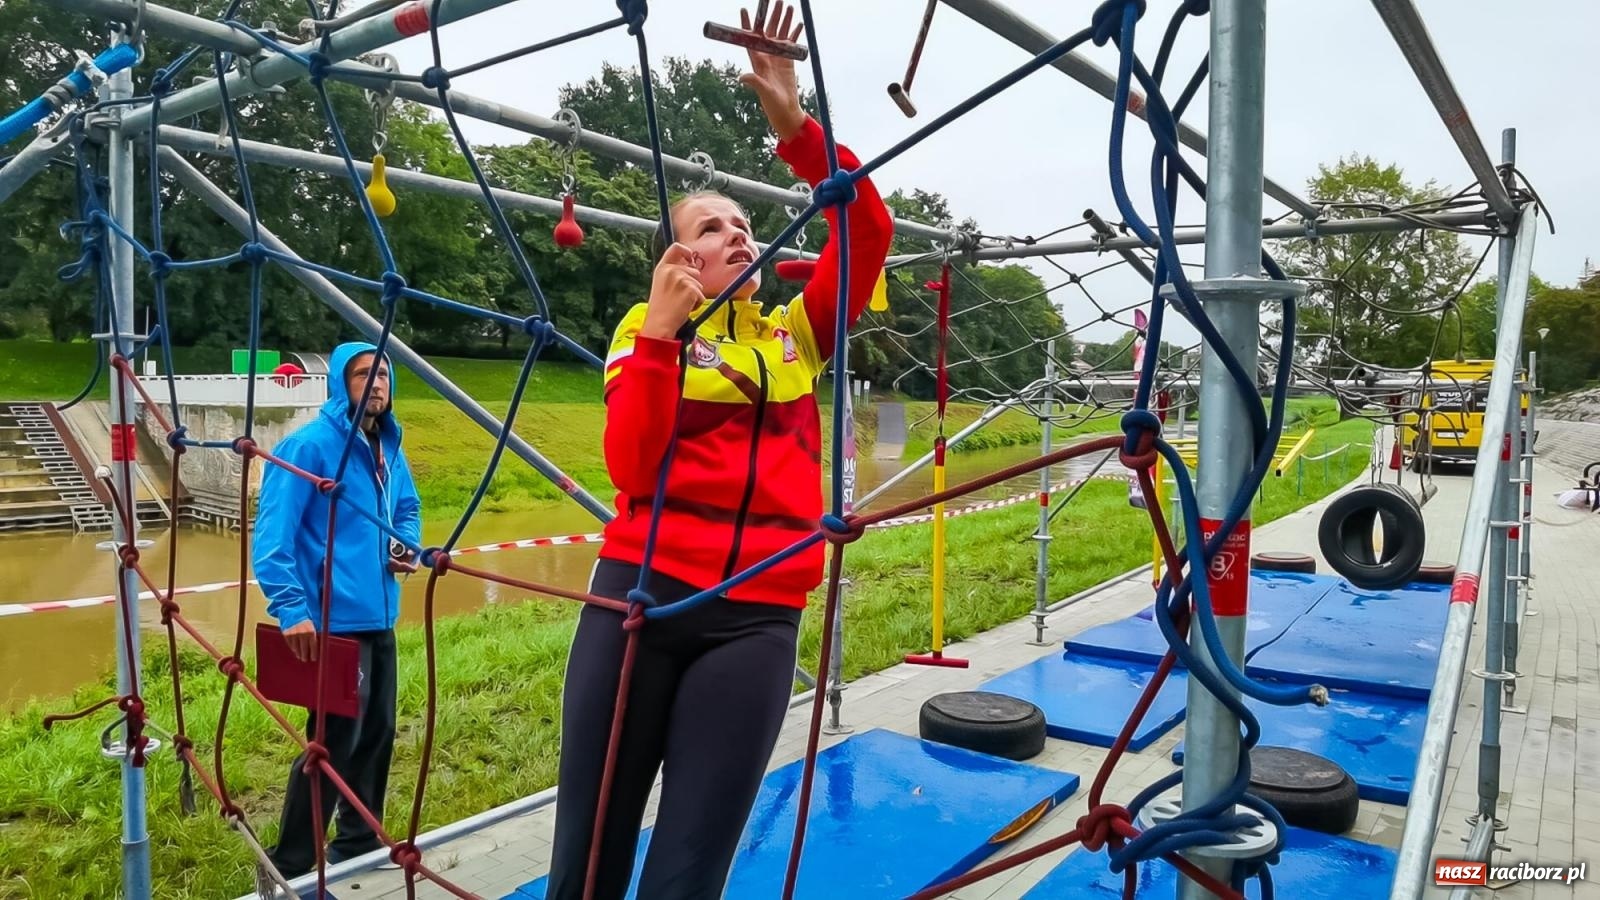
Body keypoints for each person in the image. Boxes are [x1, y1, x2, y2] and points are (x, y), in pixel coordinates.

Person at [544, 4, 894, 898]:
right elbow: (632, 467)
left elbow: (868, 232)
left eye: (742, 223)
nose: (736, 233)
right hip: (640, 597)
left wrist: (795, 124)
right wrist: (663, 338)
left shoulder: (796, 335)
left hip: (757, 614)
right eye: (709, 228)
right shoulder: (643, 329)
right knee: (588, 852)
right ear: (676, 259)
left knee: (691, 867)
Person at [252, 340, 422, 879]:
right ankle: (292, 864)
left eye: (383, 375)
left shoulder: (388, 447)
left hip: (380, 615)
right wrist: (291, 609)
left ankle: (358, 844)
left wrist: (405, 545)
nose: (376, 384)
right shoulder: (308, 447)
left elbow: (407, 508)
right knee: (332, 744)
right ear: (339, 384)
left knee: (377, 734)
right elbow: (272, 537)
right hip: (331, 623)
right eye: (362, 374)